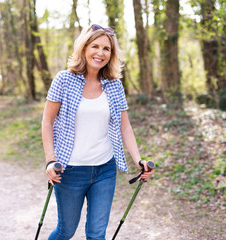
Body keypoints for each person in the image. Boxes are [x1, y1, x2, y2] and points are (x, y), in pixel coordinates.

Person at [41, 24, 155, 240]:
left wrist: (139, 160)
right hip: (69, 171)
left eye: (107, 48)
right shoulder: (63, 80)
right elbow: (47, 121)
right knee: (66, 231)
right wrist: (50, 161)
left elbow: (125, 126)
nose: (101, 53)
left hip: (105, 169)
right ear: (84, 47)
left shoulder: (114, 85)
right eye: (95, 46)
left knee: (96, 234)